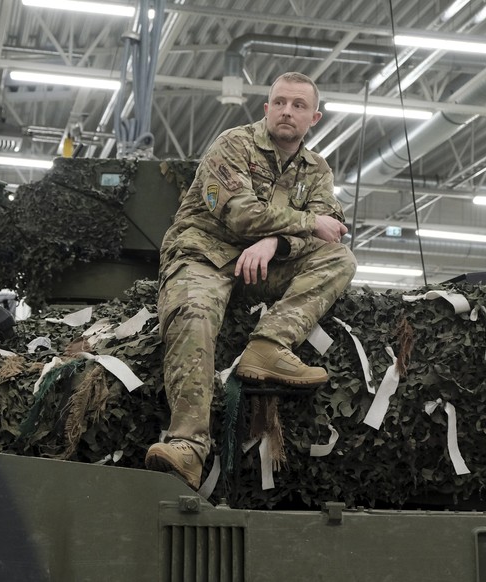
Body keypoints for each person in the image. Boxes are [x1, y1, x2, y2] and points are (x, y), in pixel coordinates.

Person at [144, 72, 357, 489]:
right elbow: (242, 214)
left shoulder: (316, 170)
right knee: (194, 313)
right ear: (266, 108)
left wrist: (275, 244)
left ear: (313, 117)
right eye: (279, 102)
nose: (286, 111)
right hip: (205, 255)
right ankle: (188, 445)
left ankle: (269, 345)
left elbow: (333, 229)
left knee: (339, 257)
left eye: (298, 106)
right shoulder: (233, 145)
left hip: (261, 264)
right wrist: (307, 223)